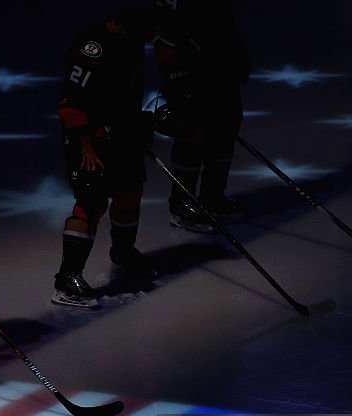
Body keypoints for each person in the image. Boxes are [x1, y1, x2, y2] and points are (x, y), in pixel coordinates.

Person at [52, 8, 157, 308]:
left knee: (130, 191)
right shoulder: (92, 45)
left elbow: (128, 92)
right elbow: (71, 101)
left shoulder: (133, 41)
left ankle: (123, 253)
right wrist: (86, 145)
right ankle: (67, 278)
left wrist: (137, 126)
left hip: (121, 134)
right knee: (91, 202)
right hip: (89, 139)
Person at [152, 0, 250, 232]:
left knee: (227, 127)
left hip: (220, 62)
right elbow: (162, 34)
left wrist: (237, 59)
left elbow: (226, 23)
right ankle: (182, 205)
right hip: (189, 69)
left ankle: (212, 197)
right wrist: (178, 77)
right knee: (192, 135)